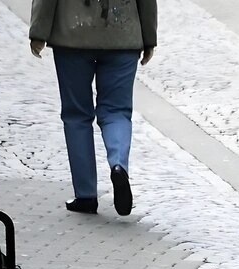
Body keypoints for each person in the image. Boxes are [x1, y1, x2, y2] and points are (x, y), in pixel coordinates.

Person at [30, 0, 158, 216]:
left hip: (73, 35)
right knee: (117, 111)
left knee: (76, 116)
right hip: (123, 35)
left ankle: (86, 194)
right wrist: (148, 38)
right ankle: (119, 166)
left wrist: (38, 32)